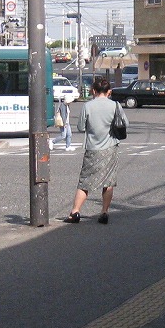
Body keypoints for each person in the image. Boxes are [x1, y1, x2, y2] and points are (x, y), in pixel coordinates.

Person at [64, 75, 127, 225]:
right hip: (110, 147)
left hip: (92, 148)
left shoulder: (88, 106)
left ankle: (75, 212)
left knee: (85, 182)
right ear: (109, 91)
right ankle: (104, 212)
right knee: (108, 182)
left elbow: (80, 127)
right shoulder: (115, 105)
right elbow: (125, 123)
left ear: (93, 90)